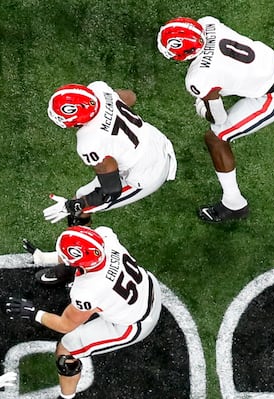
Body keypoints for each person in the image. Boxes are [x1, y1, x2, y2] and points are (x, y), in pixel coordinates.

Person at [4, 225, 162, 399]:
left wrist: (32, 313)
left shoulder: (86, 291)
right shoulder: (106, 237)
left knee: (66, 348)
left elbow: (65, 324)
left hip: (133, 322)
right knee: (89, 287)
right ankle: (69, 275)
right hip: (148, 288)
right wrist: (43, 258)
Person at [156, 16, 274, 224]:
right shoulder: (208, 23)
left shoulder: (197, 78)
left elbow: (218, 118)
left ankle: (233, 204)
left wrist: (202, 107)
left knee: (216, 138)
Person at [34, 82, 177, 283]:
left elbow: (111, 190)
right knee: (82, 196)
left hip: (146, 172)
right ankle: (74, 256)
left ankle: (73, 266)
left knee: (81, 205)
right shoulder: (99, 89)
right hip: (154, 141)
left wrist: (76, 205)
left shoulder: (89, 143)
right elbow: (130, 96)